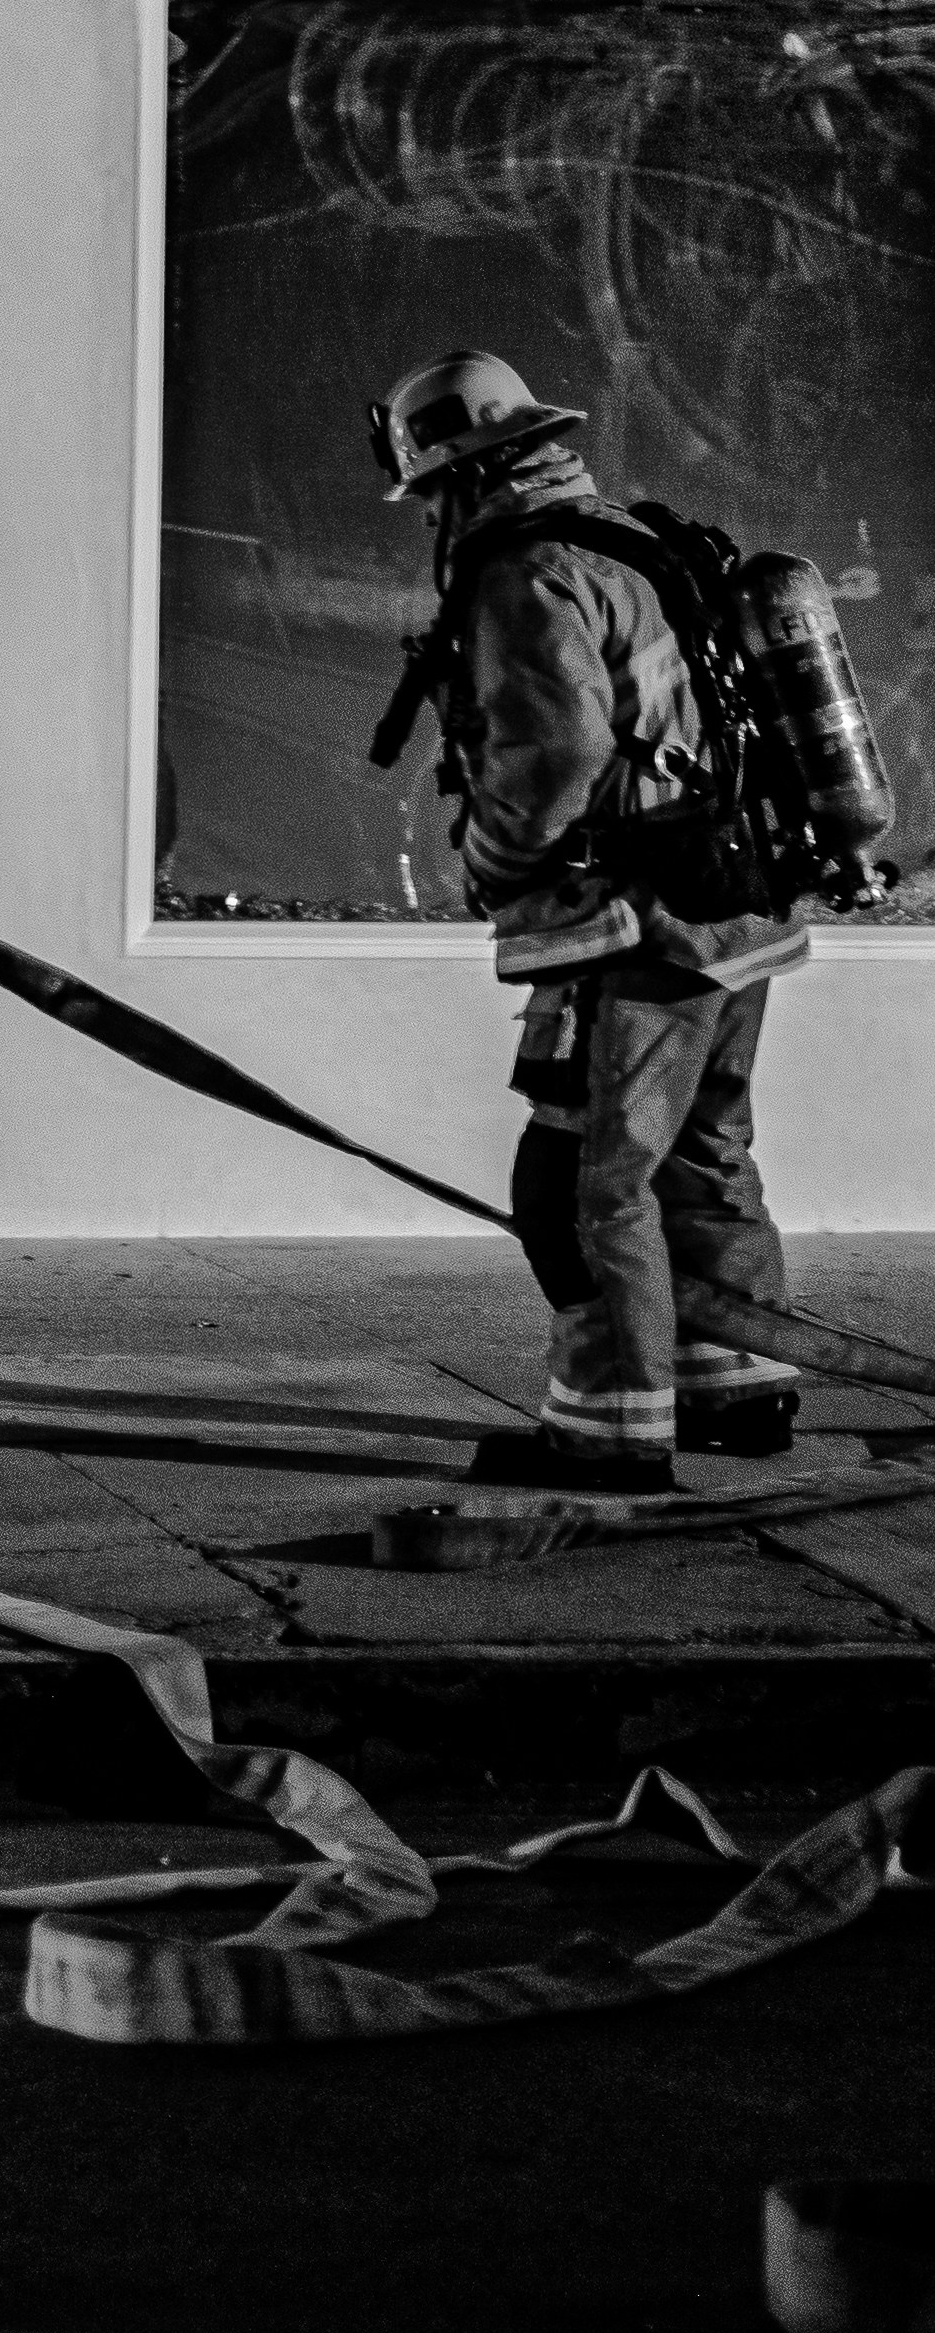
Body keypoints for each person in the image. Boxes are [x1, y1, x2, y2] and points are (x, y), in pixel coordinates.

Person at [368, 349, 810, 1494]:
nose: (427, 514)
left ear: (457, 475)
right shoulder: (633, 536)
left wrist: (494, 856)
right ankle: (737, 1384)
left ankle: (608, 1427)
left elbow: (553, 750)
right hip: (732, 903)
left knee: (578, 1182)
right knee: (705, 1152)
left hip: (631, 927)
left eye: (426, 492)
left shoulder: (524, 570)